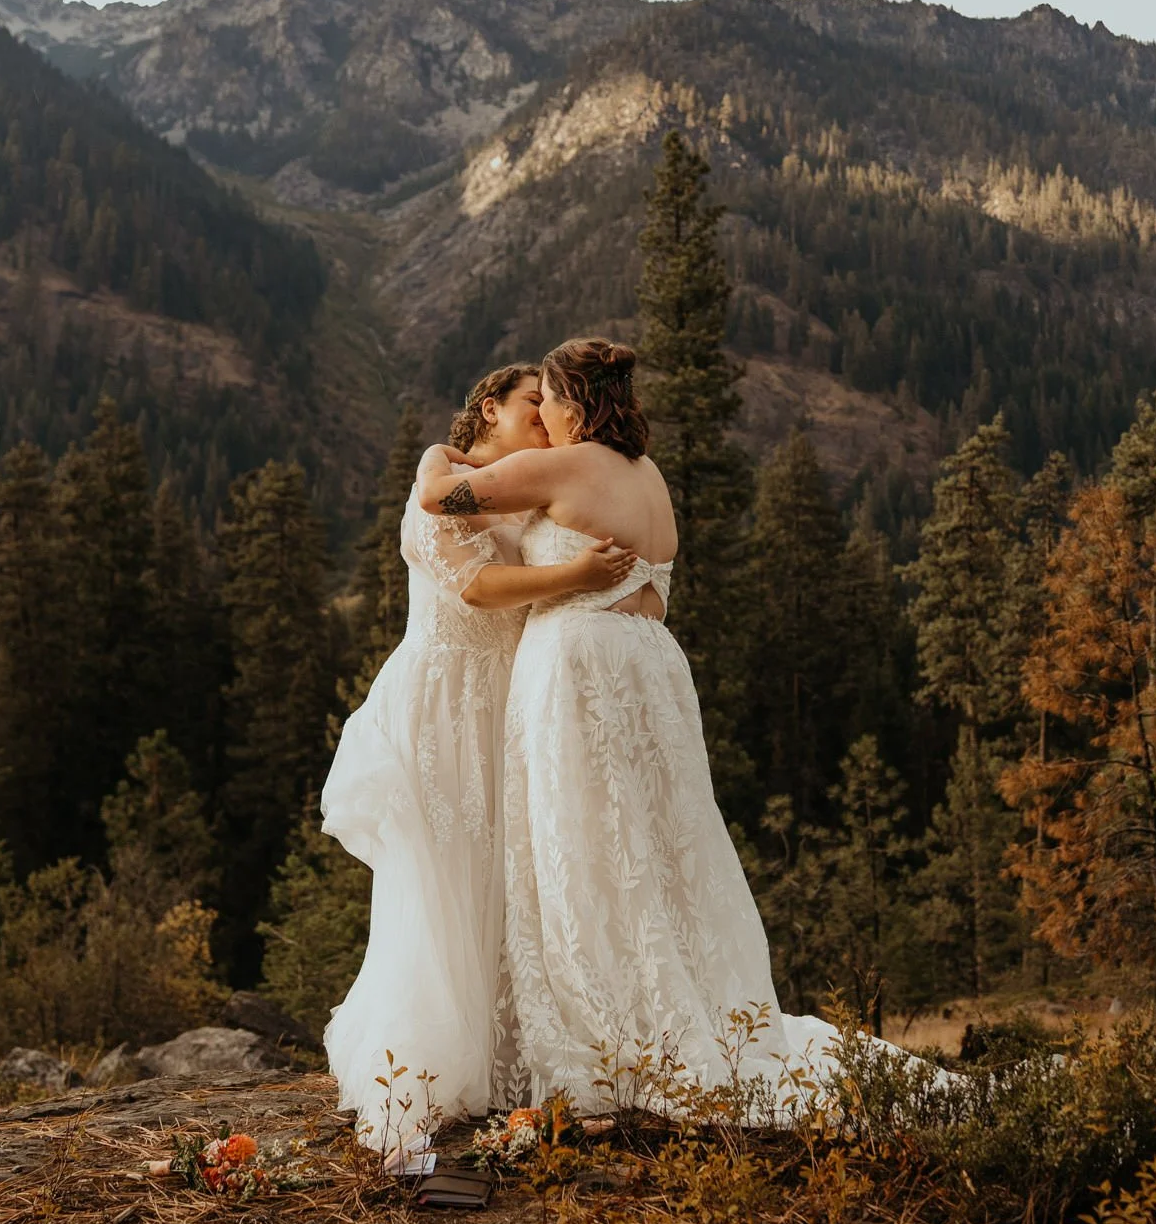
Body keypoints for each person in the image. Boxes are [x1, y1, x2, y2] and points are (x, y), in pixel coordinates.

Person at [421, 337, 863, 1116]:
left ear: (575, 404)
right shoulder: (647, 475)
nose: (544, 415)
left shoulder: (562, 465)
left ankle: (618, 1035)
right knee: (662, 844)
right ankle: (700, 1011)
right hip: (653, 666)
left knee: (584, 847)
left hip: (580, 663)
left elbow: (440, 500)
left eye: (549, 400)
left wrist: (436, 453)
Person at [321, 363, 635, 1154]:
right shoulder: (440, 478)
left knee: (509, 876)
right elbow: (478, 585)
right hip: (444, 704)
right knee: (444, 879)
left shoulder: (516, 486)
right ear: (489, 407)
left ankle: (509, 1063)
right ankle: (421, 1073)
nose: (544, 413)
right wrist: (579, 573)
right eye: (533, 401)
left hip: (509, 703)